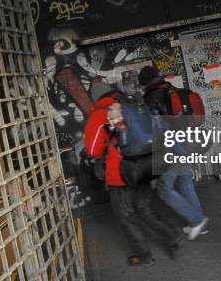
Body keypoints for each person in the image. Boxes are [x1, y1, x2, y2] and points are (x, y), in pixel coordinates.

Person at [83, 80, 180, 266]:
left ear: (96, 97)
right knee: (143, 207)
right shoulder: (133, 104)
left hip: (120, 174)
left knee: (125, 216)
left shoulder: (101, 112)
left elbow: (93, 151)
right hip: (145, 164)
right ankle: (172, 235)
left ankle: (143, 255)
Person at [138, 66, 209, 241]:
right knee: (185, 183)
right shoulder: (173, 90)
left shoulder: (151, 98)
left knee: (164, 189)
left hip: (169, 147)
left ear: (144, 84)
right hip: (185, 143)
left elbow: (154, 128)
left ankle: (197, 219)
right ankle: (198, 224)